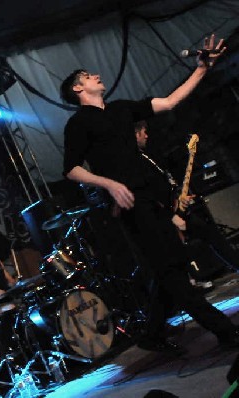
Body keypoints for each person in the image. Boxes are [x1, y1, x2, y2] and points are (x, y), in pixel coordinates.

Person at [60, 33, 239, 354]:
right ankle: (224, 331)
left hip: (152, 198)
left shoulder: (121, 109)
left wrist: (202, 69)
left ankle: (152, 333)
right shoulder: (78, 124)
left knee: (168, 268)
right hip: (128, 204)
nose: (97, 76)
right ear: (78, 89)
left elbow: (170, 101)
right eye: (89, 76)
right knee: (171, 271)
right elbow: (71, 169)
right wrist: (110, 184)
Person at [135, 121, 239, 280]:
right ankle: (189, 281)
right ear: (136, 135)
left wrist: (180, 198)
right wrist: (171, 210)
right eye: (143, 133)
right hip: (166, 215)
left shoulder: (148, 156)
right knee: (179, 252)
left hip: (176, 210)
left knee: (211, 234)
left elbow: (165, 184)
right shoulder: (137, 161)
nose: (147, 136)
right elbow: (149, 193)